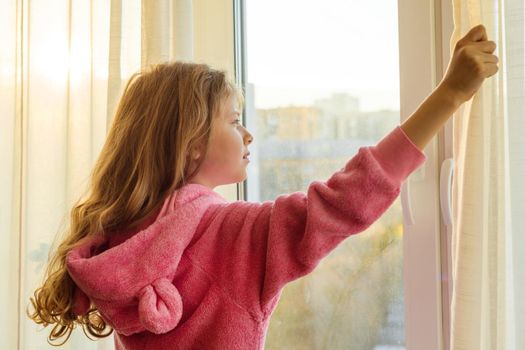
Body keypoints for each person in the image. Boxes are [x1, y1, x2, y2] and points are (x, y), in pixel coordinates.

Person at [27, 24, 498, 349]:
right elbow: (342, 203)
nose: (248, 135)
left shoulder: (121, 239)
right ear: (190, 144)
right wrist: (450, 95)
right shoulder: (230, 235)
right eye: (234, 121)